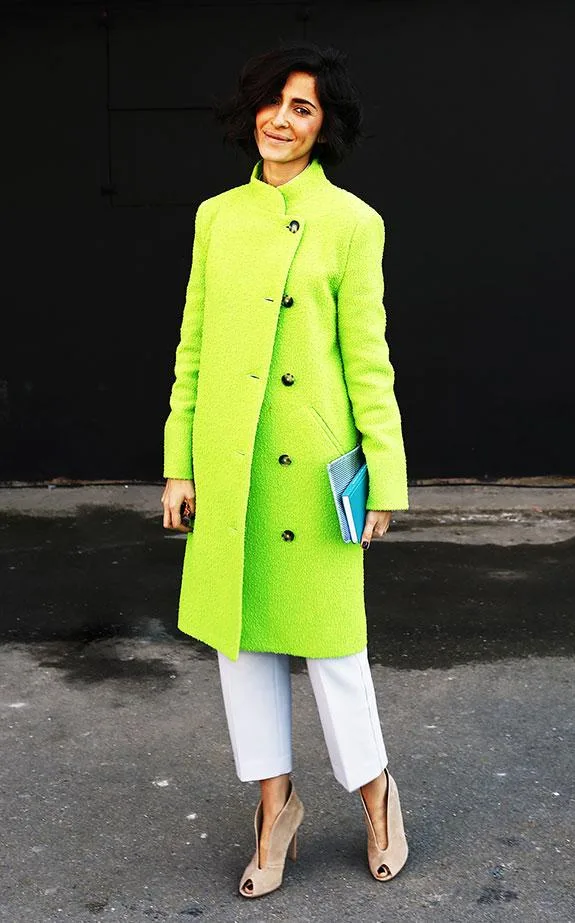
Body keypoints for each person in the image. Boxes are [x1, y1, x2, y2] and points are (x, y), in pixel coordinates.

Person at [161, 44, 409, 898]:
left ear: (324, 126)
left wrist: (385, 471)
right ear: (250, 113)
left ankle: (377, 794)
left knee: (335, 649)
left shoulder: (352, 222)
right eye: (273, 102)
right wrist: (177, 462)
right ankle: (275, 806)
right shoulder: (217, 216)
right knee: (244, 644)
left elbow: (367, 358)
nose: (282, 119)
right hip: (232, 465)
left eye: (303, 108)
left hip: (312, 467)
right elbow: (193, 347)